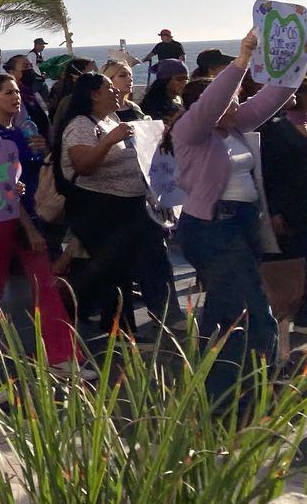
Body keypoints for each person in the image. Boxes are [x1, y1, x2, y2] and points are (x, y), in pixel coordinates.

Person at [171, 30, 294, 407]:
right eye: (231, 100)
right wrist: (241, 60)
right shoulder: (191, 131)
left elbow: (276, 95)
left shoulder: (236, 127)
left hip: (241, 226)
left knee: (224, 315)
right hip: (212, 229)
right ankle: (253, 398)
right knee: (255, 315)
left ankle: (215, 397)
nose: (237, 105)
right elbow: (213, 102)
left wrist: (295, 58)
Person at [0, 74, 80, 368]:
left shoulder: (21, 131)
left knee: (45, 286)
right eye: (7, 93)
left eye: (17, 92)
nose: (15, 97)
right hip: (6, 221)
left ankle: (61, 355)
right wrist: (28, 226)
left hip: (33, 213)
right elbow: (1, 188)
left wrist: (44, 151)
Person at [55, 72, 150, 338]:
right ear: (94, 94)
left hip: (124, 207)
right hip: (99, 208)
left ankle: (114, 325)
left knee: (117, 271)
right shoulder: (82, 125)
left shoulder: (109, 119)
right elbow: (83, 165)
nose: (117, 91)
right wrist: (109, 140)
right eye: (109, 87)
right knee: (112, 271)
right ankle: (117, 329)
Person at [260, 83, 307, 359]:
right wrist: (274, 210)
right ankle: (281, 338)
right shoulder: (278, 128)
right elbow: (269, 171)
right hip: (290, 207)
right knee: (291, 268)